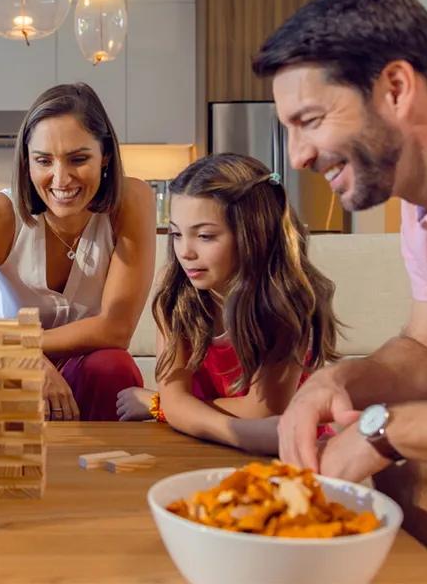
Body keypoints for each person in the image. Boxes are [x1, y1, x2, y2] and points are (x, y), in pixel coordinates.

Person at [253, 0, 427, 569]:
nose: (296, 157)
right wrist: (337, 384)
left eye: (310, 120)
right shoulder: (422, 208)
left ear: (395, 88)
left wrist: (382, 430)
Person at [0, 82, 157, 422]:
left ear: (105, 156)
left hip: (86, 351)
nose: (61, 179)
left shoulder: (132, 201)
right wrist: (18, 355)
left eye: (78, 159)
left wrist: (27, 346)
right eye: (44, 160)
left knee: (113, 368)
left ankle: (104, 472)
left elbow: (117, 329)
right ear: (26, 161)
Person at [115, 154, 339, 454]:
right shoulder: (175, 294)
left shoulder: (286, 303)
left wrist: (159, 405)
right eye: (176, 234)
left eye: (205, 236)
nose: (185, 252)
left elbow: (262, 411)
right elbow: (180, 402)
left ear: (253, 233)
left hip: (291, 451)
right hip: (216, 443)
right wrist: (244, 433)